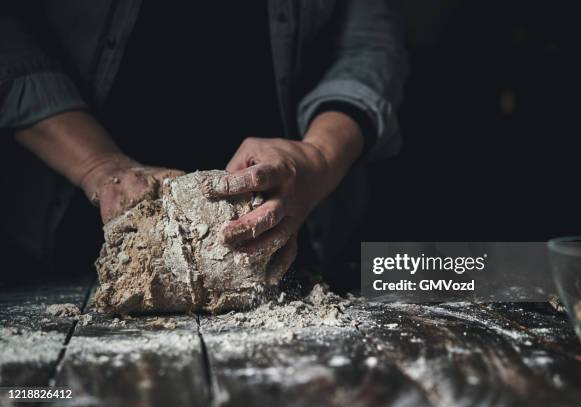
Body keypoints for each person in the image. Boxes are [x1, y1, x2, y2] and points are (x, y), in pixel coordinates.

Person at [0, 1, 408, 283]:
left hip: (294, 219)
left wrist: (317, 155)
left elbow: (369, 47)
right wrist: (99, 165)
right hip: (61, 221)